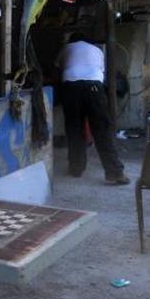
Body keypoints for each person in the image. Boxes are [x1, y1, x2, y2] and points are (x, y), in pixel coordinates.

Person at [57, 33, 129, 185]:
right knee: (102, 131)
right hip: (94, 88)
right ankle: (114, 173)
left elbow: (59, 67)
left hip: (70, 87)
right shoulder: (97, 50)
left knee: (74, 129)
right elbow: (100, 72)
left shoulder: (67, 48)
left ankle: (76, 168)